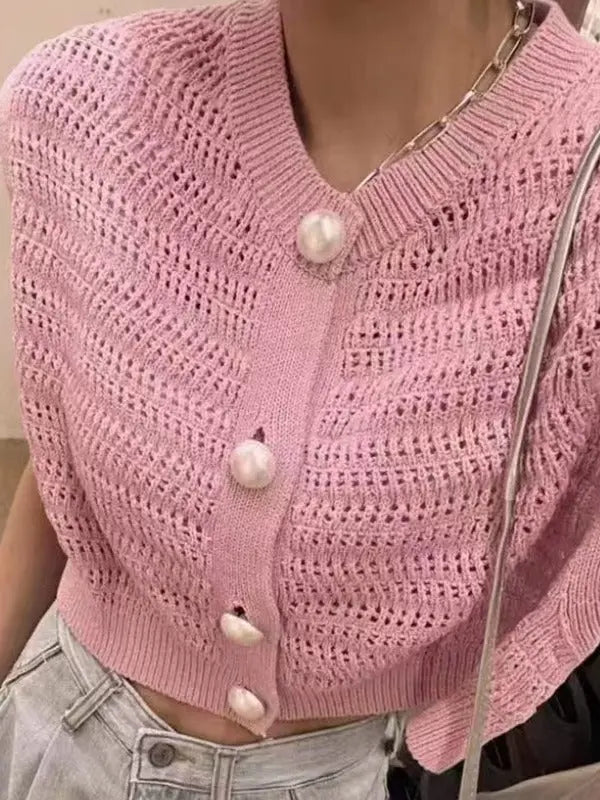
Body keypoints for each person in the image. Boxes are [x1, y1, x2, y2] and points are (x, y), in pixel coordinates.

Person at [0, 0, 599, 798]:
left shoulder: (576, 184)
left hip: (360, 772)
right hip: (53, 739)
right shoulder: (83, 104)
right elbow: (63, 466)